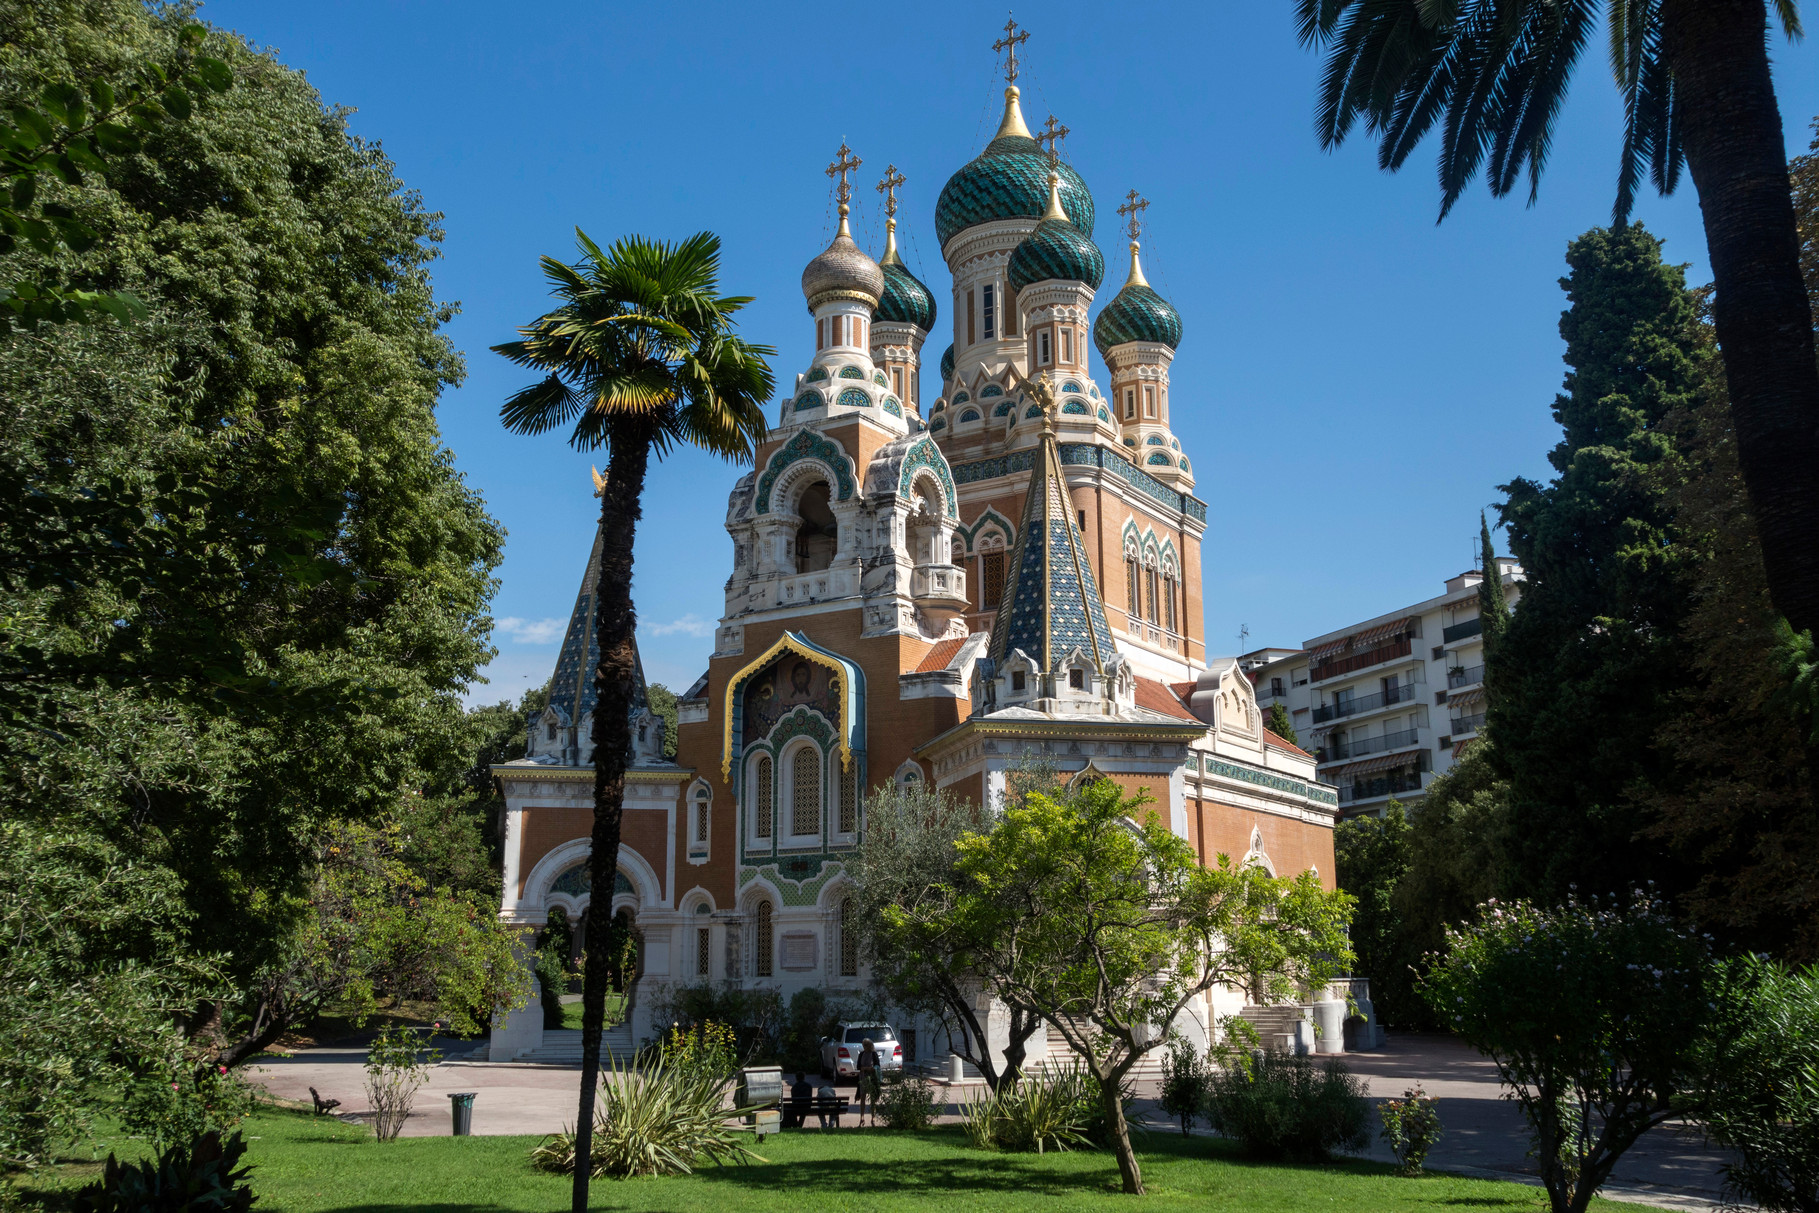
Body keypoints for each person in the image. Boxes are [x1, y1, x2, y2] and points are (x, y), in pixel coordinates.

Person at [856, 1038, 882, 1126]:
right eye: (864, 1045)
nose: (865, 1047)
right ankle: (862, 1118)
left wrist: (871, 1069)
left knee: (873, 1099)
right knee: (862, 1097)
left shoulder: (874, 1054)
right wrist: (864, 1068)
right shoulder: (861, 1054)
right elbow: (858, 1066)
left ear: (870, 1045)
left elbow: (877, 1065)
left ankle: (873, 1118)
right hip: (863, 1077)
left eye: (866, 1045)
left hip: (872, 1078)